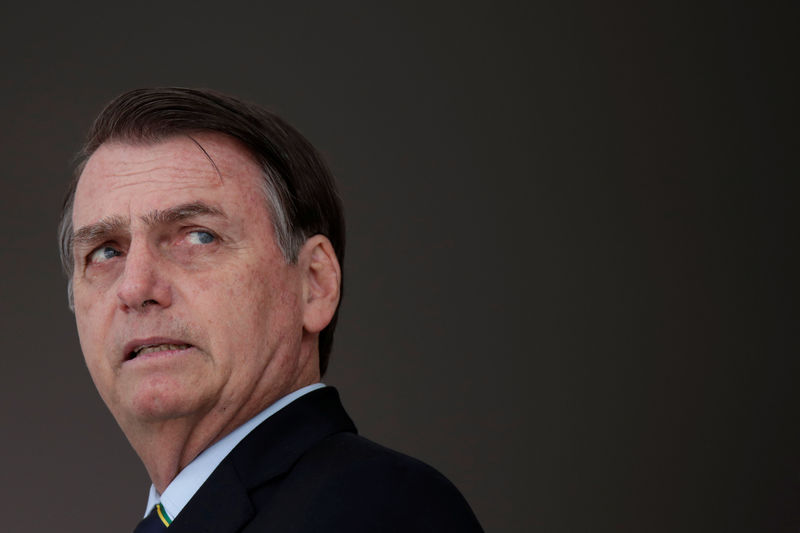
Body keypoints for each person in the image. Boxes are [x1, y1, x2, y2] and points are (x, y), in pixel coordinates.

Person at [58, 87, 483, 532]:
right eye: (106, 251)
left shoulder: (381, 509)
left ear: (314, 284)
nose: (136, 287)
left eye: (199, 236)